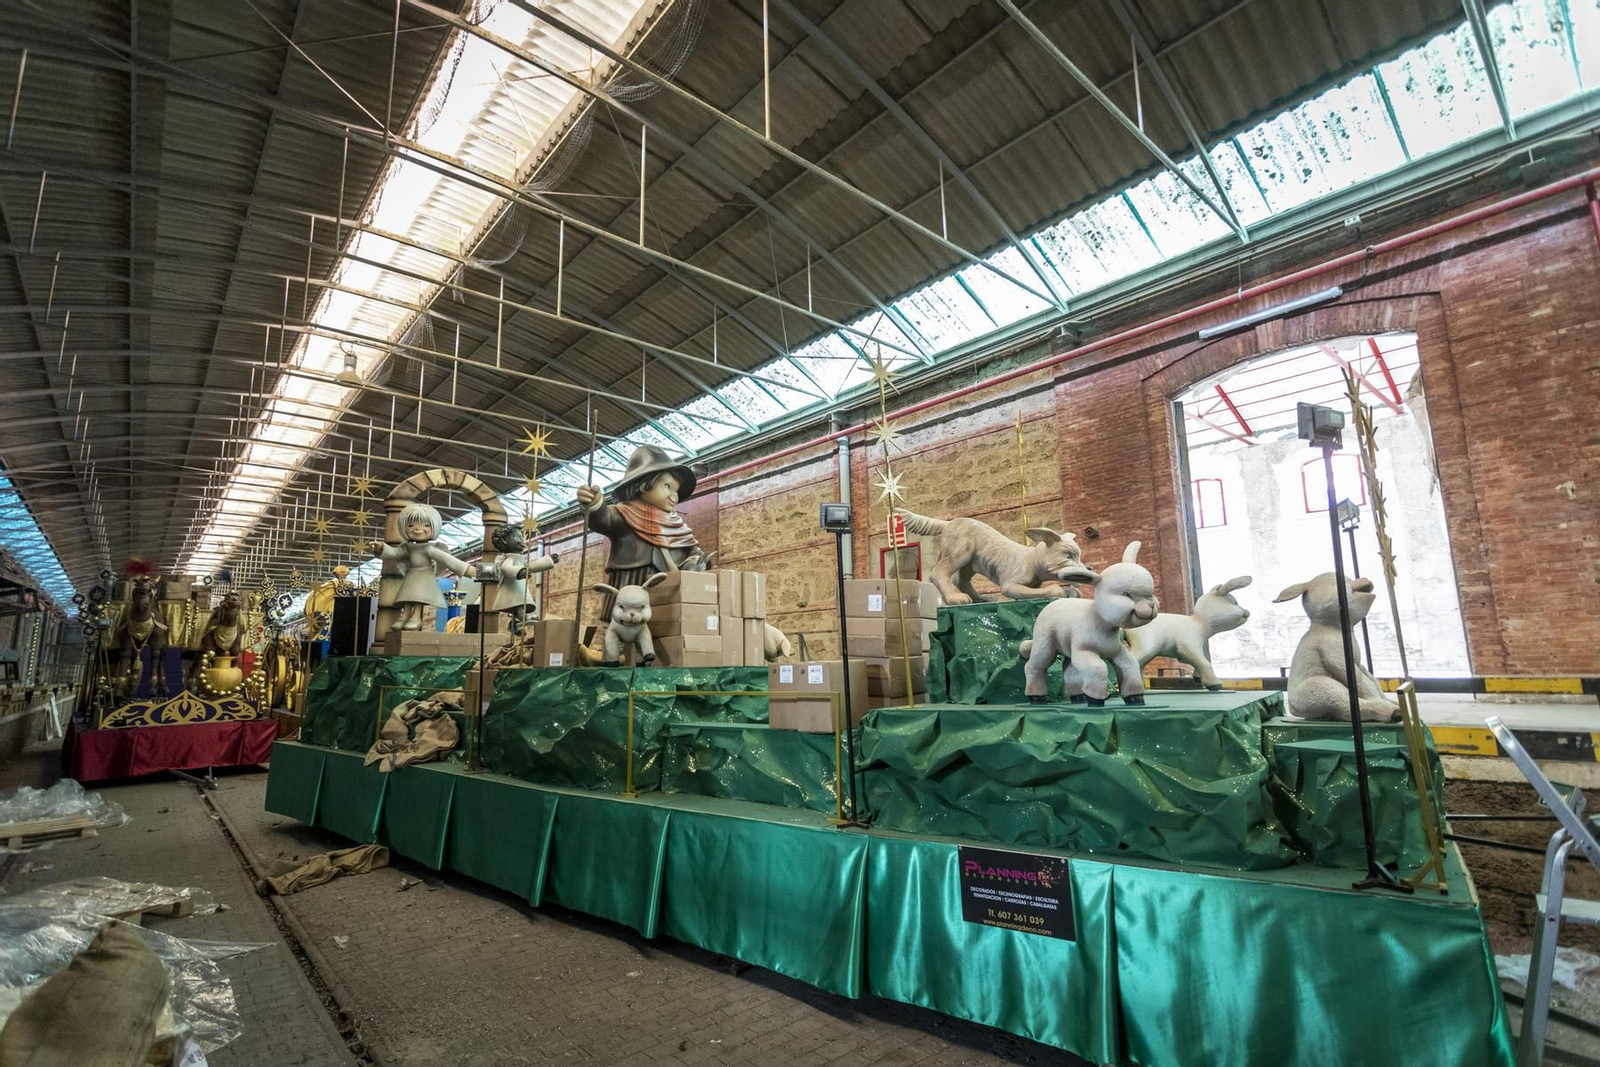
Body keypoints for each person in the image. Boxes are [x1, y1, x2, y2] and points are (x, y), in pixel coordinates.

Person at [576, 445, 702, 622]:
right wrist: (595, 504)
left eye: (676, 490)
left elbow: (693, 550)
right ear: (644, 484)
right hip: (629, 579)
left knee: (663, 626)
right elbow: (603, 519)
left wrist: (693, 562)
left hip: (666, 590)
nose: (674, 496)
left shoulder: (678, 525)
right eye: (667, 486)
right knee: (623, 625)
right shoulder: (622, 513)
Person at [368, 502, 476, 631]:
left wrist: (465, 569)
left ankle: (415, 617)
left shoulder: (430, 549)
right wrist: (381, 548)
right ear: (404, 527)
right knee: (407, 597)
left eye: (426, 525)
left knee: (418, 597)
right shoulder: (407, 548)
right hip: (411, 576)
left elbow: (447, 559)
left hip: (424, 577)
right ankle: (404, 616)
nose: (418, 529)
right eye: (411, 525)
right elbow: (395, 553)